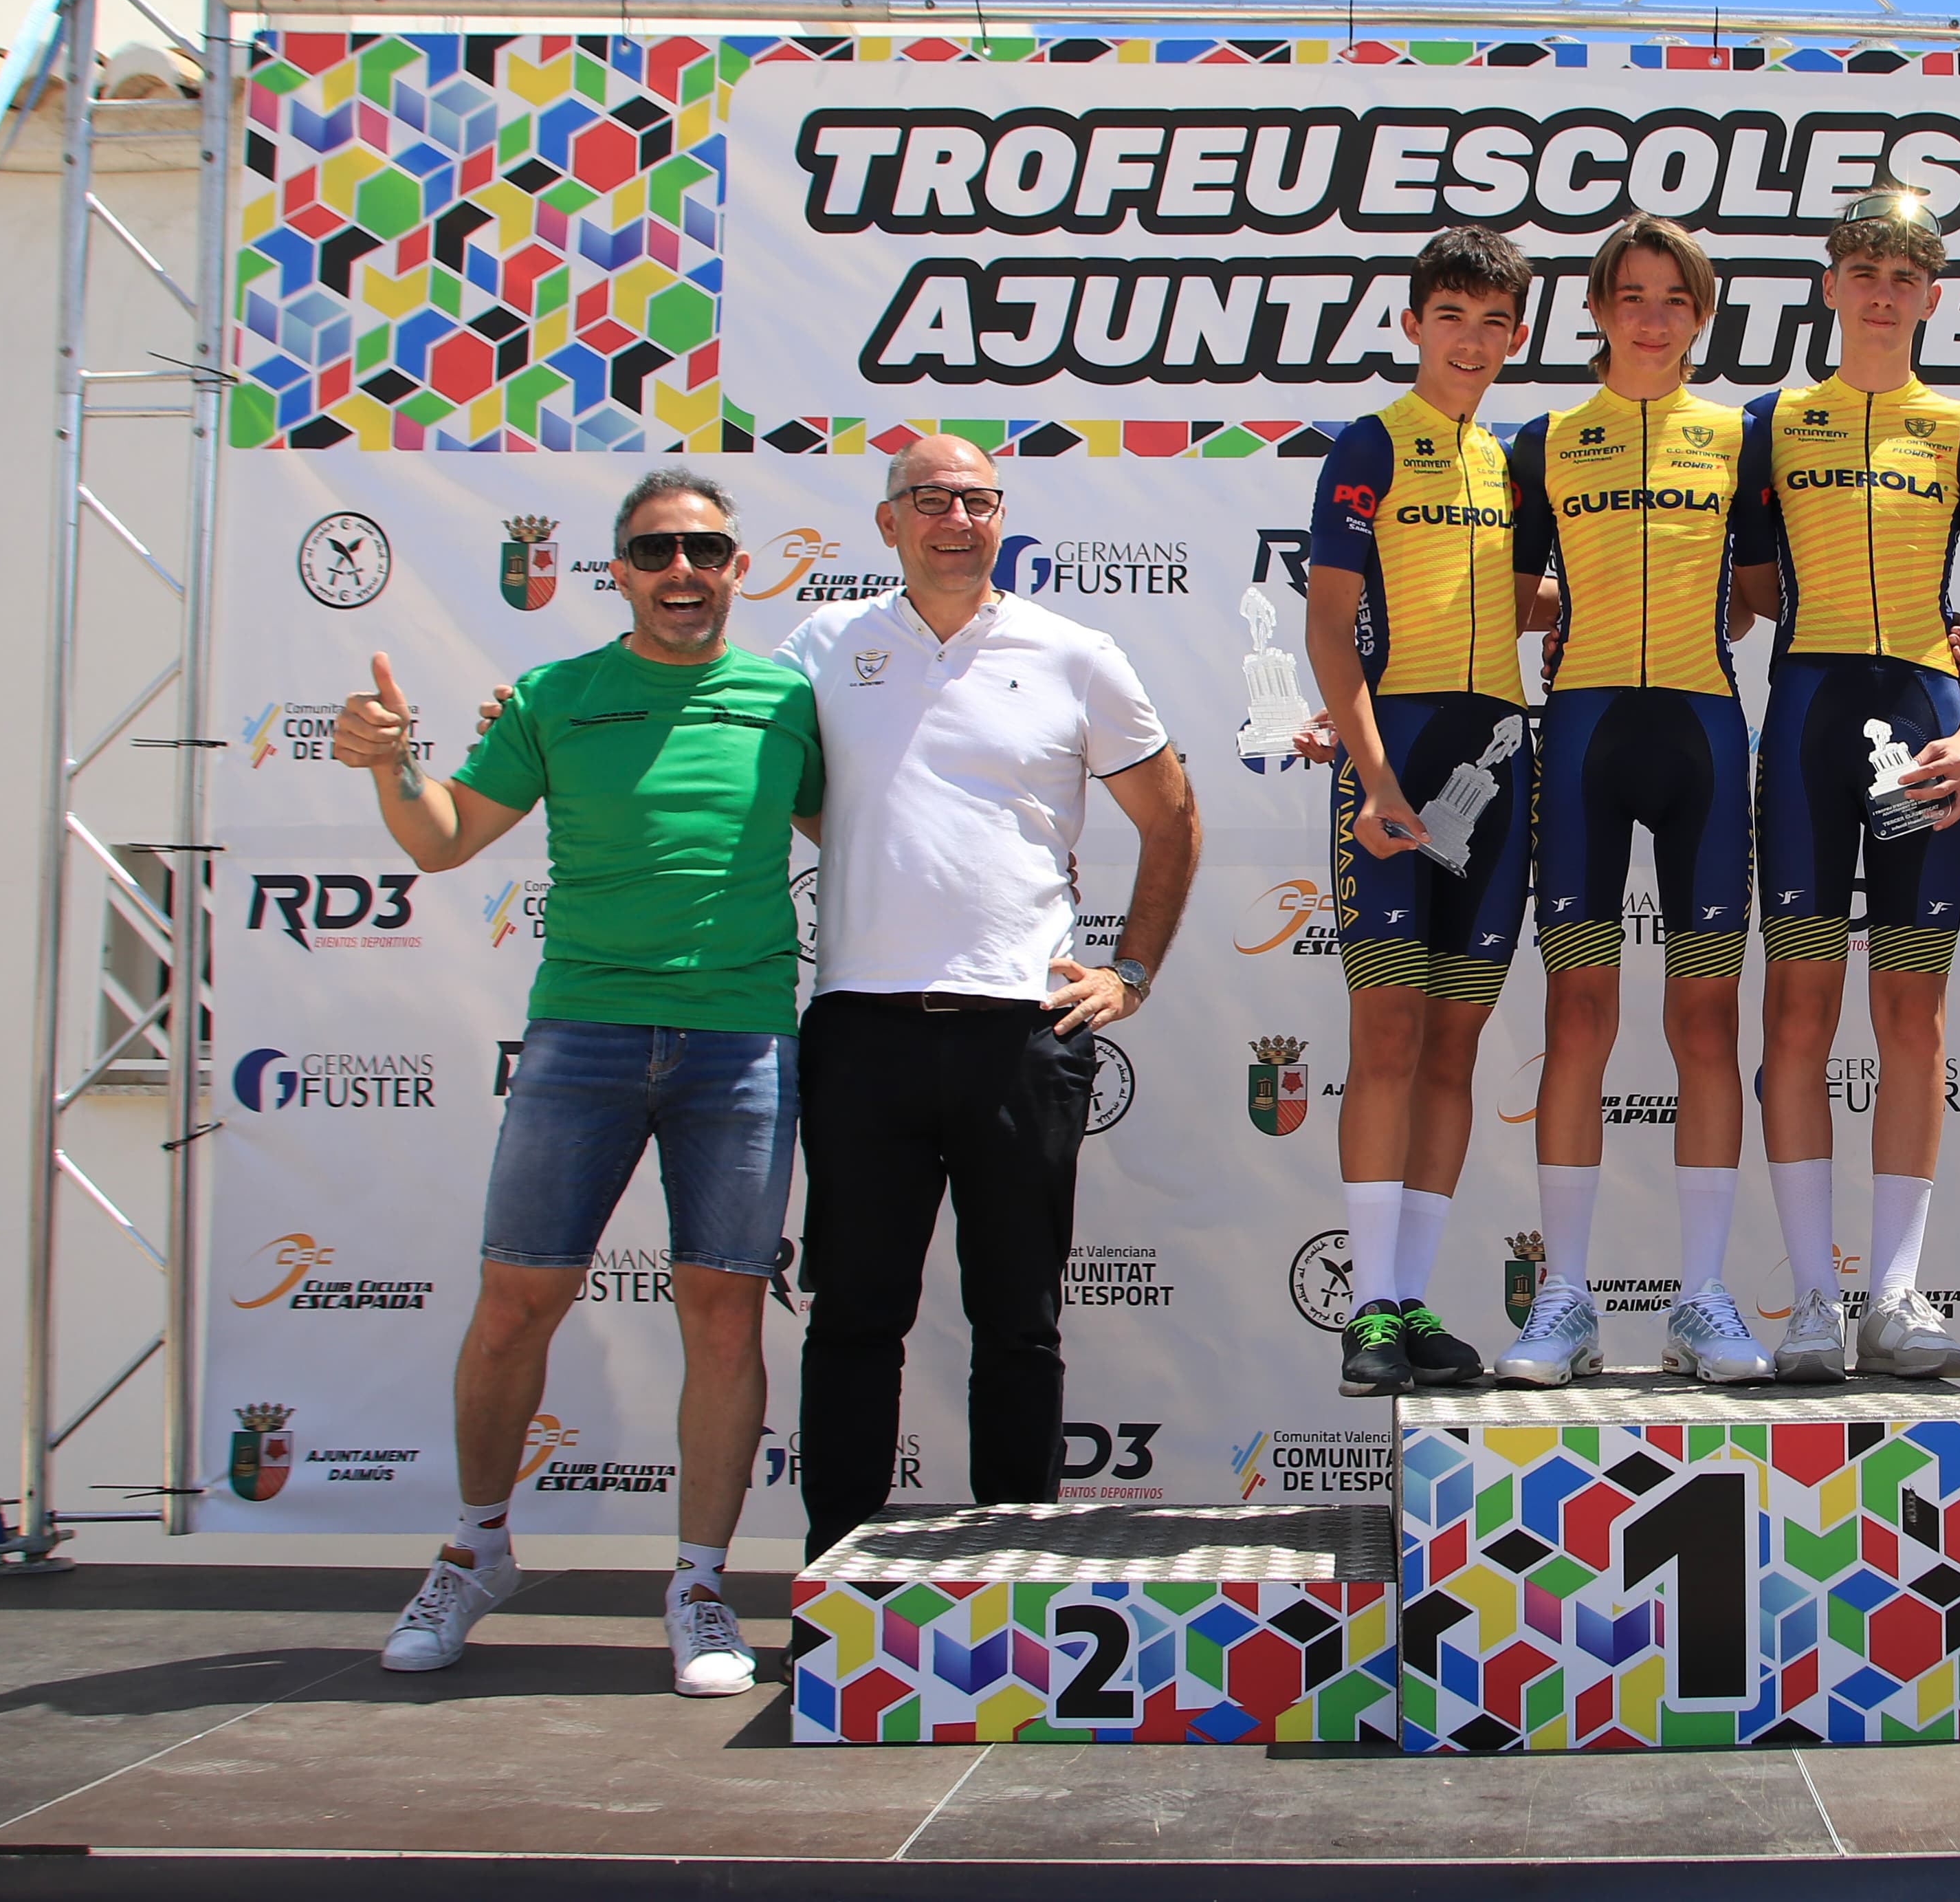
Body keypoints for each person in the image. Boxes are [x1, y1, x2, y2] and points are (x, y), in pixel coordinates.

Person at [333, 468, 822, 1696]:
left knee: (722, 1317)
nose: (683, 570)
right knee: (514, 1305)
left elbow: (887, 823)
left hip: (744, 1040)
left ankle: (702, 1584)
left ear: (737, 566)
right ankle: (476, 1548)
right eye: (658, 549)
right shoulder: (555, 695)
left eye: (706, 547)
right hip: (582, 1038)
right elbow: (444, 837)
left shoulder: (789, 698)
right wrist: (391, 767)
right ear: (620, 568)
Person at [778, 433, 1201, 1557]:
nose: (955, 519)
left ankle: (1016, 1578)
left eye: (977, 500)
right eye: (930, 499)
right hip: (862, 1034)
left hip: (1023, 1036)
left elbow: (1172, 817)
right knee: (856, 1322)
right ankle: (838, 1578)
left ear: (1001, 515)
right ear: (888, 522)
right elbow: (754, 768)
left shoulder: (1074, 652)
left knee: (1019, 1326)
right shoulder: (821, 643)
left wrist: (1133, 971)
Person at [1731, 186, 1960, 1381]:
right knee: (1797, 1012)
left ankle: (1895, 1297)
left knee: (1914, 1015)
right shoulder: (1767, 420)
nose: (1884, 293)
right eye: (1865, 271)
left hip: (1922, 729)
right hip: (1805, 720)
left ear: (1931, 298)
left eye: (1907, 277)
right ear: (1833, 285)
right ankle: (1811, 1298)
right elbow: (1747, 586)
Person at [1493, 215, 1768, 1386]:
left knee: (1706, 1024)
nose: (1652, 316)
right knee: (1579, 1021)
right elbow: (1503, 602)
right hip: (1587, 736)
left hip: (1703, 733)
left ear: (1700, 317)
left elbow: (1756, 599)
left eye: (1675, 298)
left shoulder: (1741, 439)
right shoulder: (1543, 441)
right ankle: (1565, 1298)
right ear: (1597, 310)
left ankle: (1703, 1297)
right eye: (1631, 295)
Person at [1305, 226, 1537, 1394]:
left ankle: (1411, 1302)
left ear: (1518, 335)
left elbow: (1544, 594)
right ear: (1413, 324)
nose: (1473, 340)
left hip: (1496, 764)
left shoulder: (1511, 462)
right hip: (1393, 763)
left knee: (1455, 1042)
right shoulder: (1369, 441)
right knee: (1386, 1036)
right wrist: (1373, 771)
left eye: (1497, 322)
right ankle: (1364, 1314)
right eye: (1453, 316)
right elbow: (1328, 621)